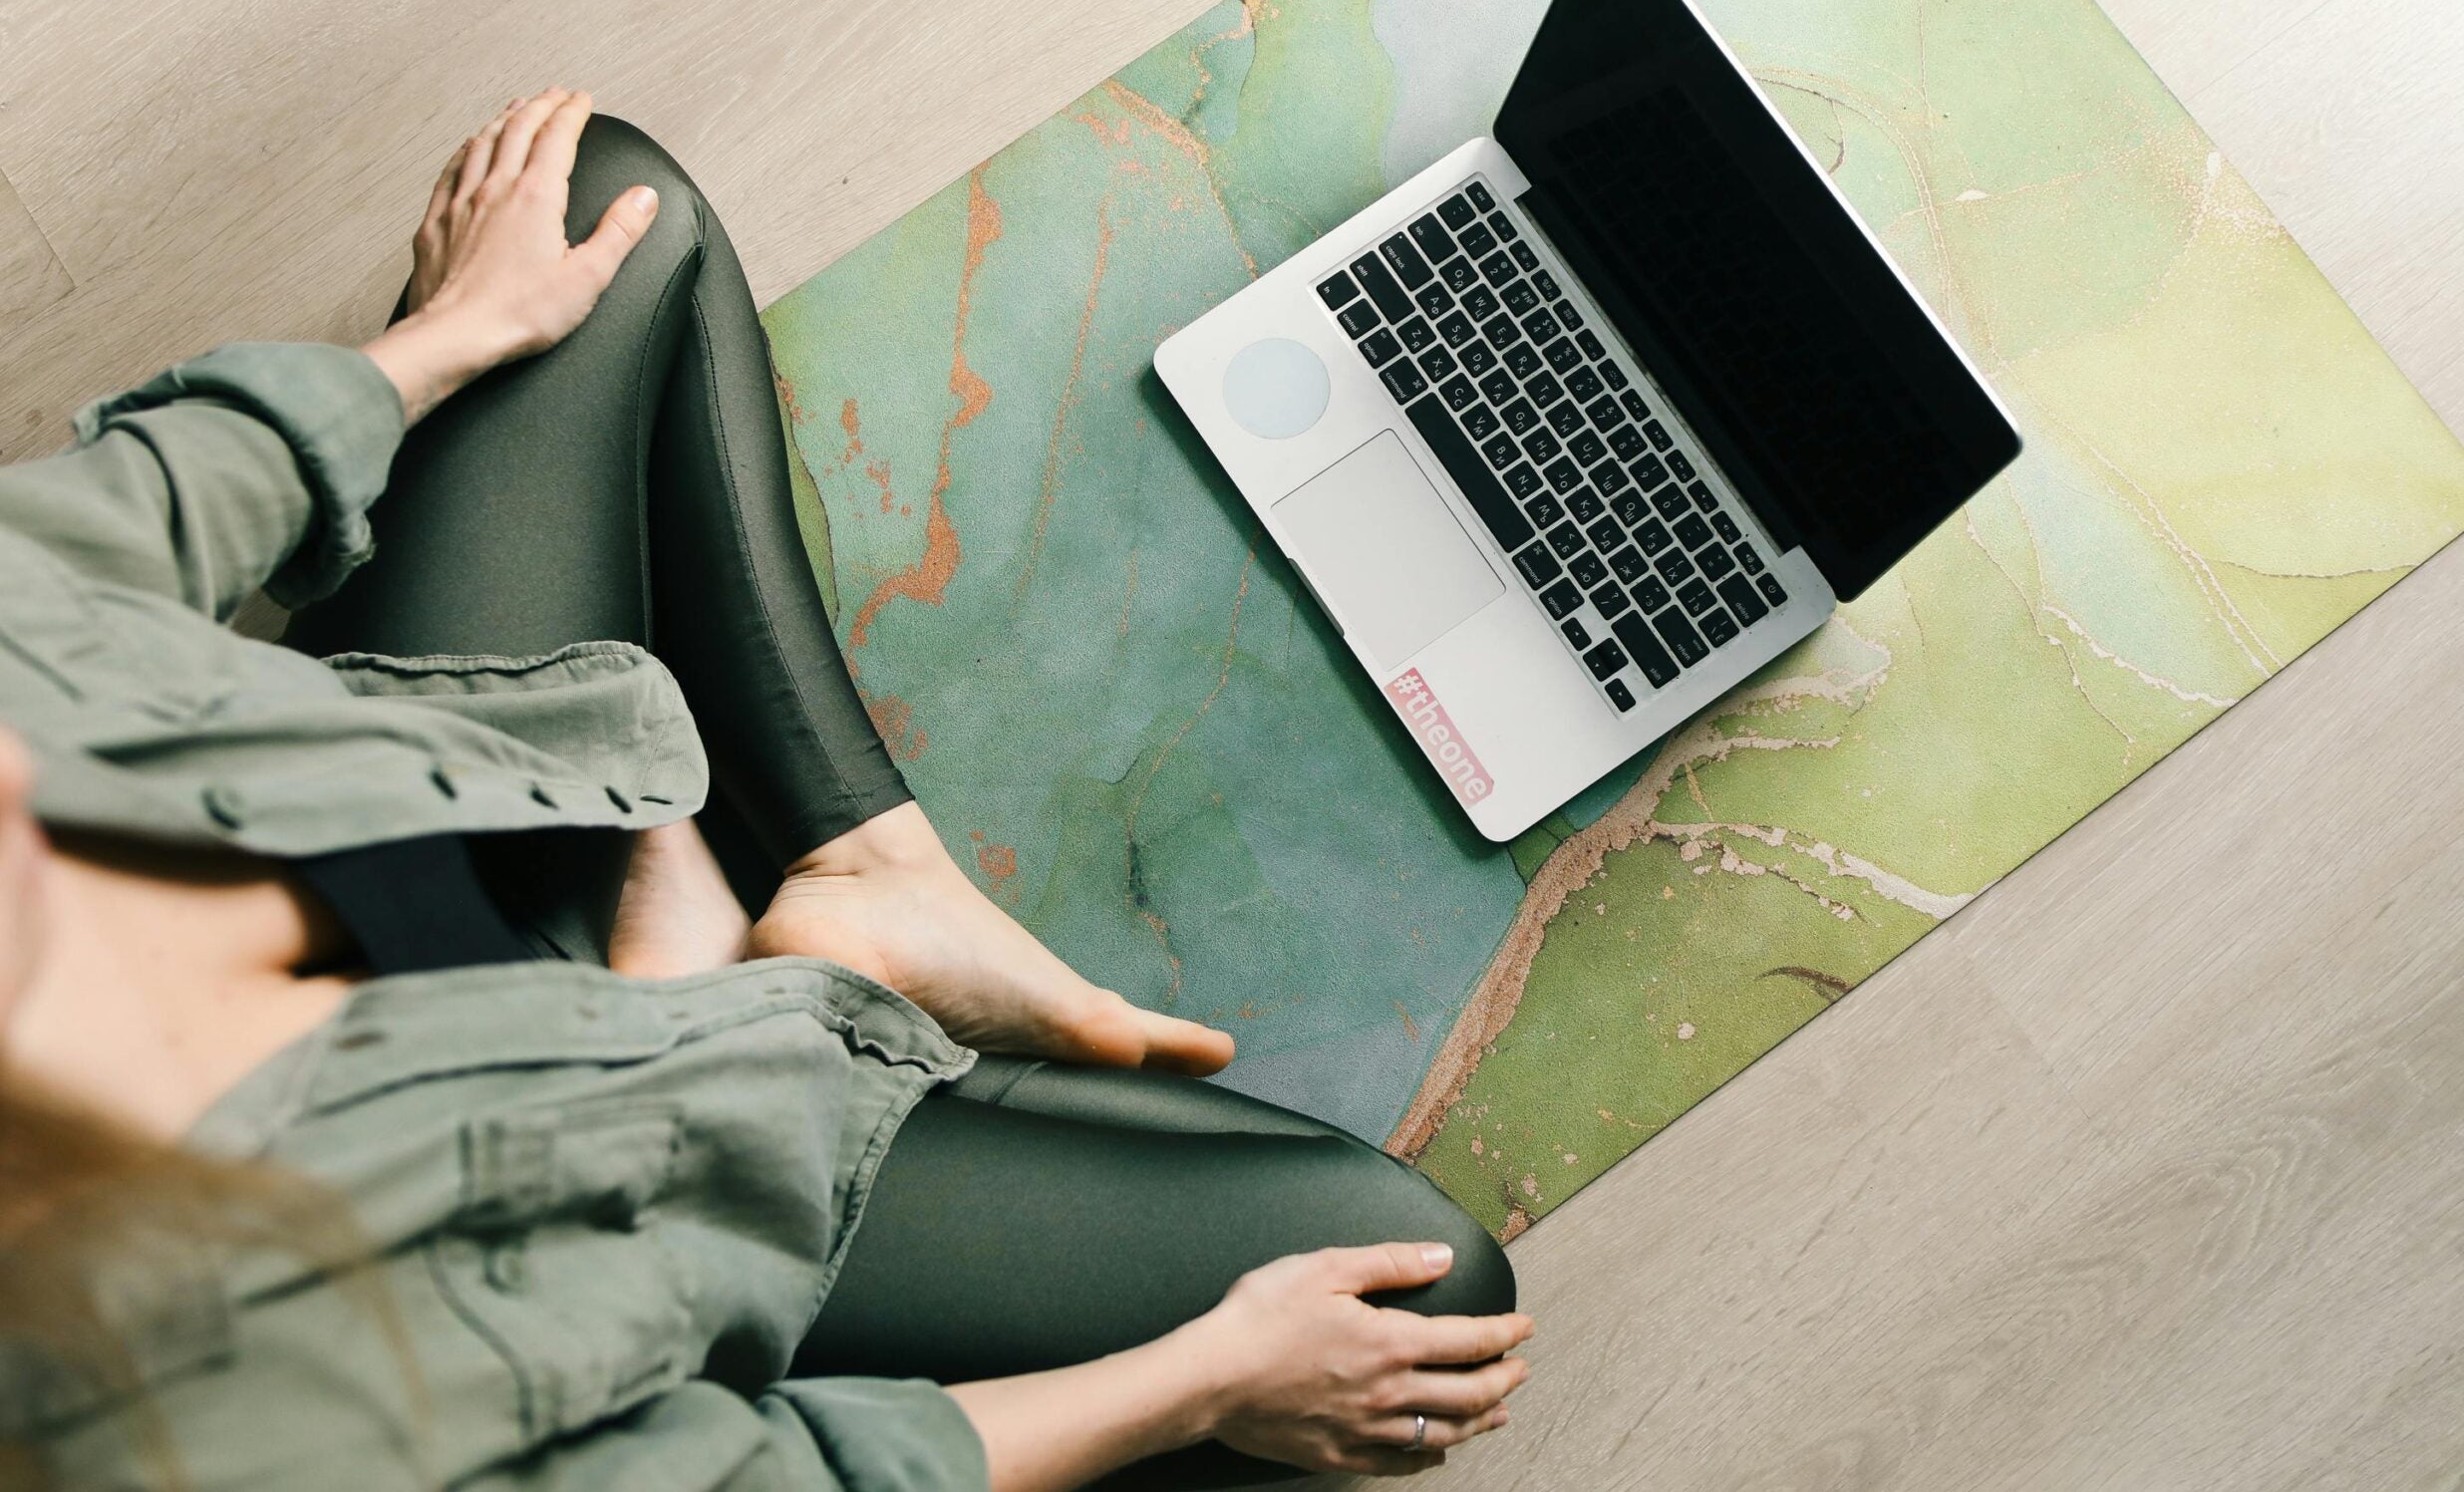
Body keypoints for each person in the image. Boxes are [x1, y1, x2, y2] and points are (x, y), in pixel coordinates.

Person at [0, 92, 1527, 1491]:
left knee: (610, 201)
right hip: (644, 1172)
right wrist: (1207, 1383)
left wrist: (453, 335)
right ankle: (794, 973)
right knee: (1426, 1288)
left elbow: (86, 542)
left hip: (465, 807)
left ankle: (868, 868)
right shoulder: (209, 1426)